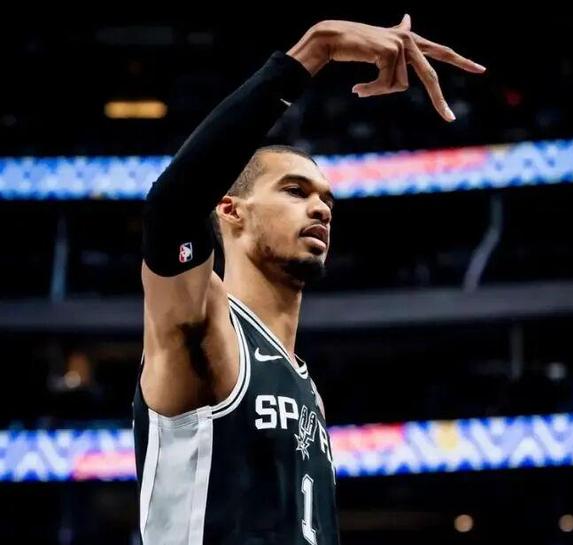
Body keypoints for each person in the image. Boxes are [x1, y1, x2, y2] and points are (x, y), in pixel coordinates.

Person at [132, 14, 485, 545]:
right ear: (230, 210)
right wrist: (316, 50)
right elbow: (170, 210)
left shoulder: (305, 388)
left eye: (327, 200)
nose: (321, 209)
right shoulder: (208, 324)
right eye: (296, 191)